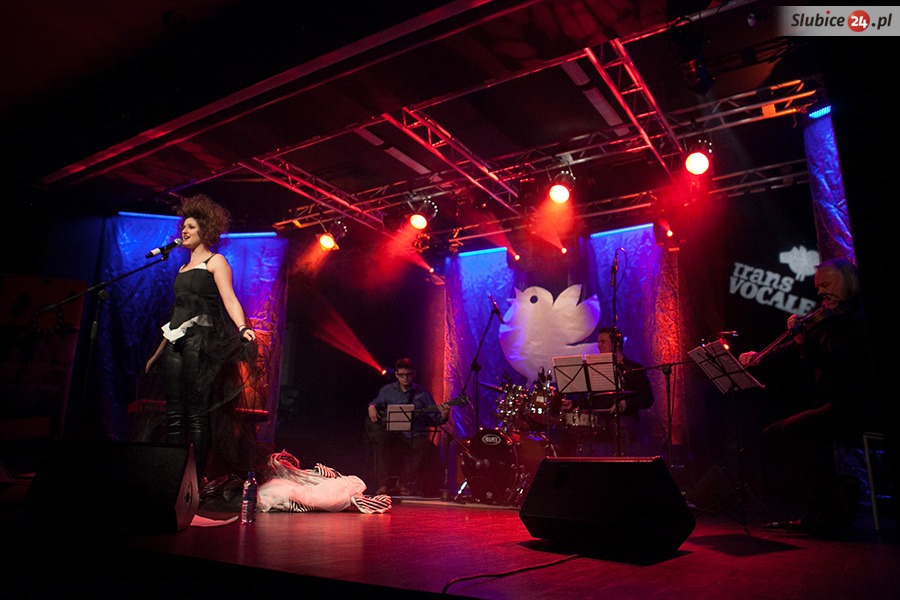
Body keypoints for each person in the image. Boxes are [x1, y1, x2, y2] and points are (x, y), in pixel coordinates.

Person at [738, 257, 877, 536]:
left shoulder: (859, 320)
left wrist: (804, 343)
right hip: (835, 406)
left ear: (848, 281)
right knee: (788, 435)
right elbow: (791, 349)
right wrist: (761, 357)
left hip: (860, 406)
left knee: (784, 434)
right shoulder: (827, 318)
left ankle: (833, 497)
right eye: (818, 287)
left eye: (826, 285)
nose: (820, 292)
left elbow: (838, 365)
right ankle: (828, 505)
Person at [145, 194, 258, 486]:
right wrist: (158, 352)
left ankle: (194, 479)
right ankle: (172, 475)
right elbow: (175, 316)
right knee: (174, 410)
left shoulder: (215, 261)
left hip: (201, 340)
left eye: (191, 227)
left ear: (204, 230)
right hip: (175, 342)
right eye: (183, 227)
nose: (184, 231)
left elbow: (229, 298)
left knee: (196, 411)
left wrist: (242, 327)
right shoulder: (182, 269)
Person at [557, 327, 654, 456]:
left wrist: (626, 404)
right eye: (598, 342)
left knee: (621, 425)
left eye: (602, 342)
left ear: (616, 343)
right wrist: (573, 404)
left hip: (624, 418)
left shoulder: (633, 369)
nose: (598, 346)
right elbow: (593, 398)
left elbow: (647, 398)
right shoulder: (595, 368)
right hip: (599, 420)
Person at [367, 358, 450, 496]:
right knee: (381, 440)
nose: (405, 378)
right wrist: (371, 406)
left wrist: (444, 415)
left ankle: (404, 482)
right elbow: (376, 403)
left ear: (414, 374)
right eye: (401, 375)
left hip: (413, 434)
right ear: (396, 375)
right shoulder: (387, 390)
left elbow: (435, 419)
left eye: (408, 375)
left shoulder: (423, 393)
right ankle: (384, 484)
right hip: (392, 434)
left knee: (425, 446)